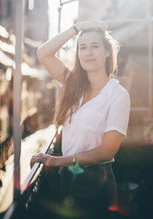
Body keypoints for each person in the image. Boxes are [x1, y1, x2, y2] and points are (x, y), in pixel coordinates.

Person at [30, 21, 130, 217]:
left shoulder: (118, 95)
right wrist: (77, 28)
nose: (88, 52)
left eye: (95, 46)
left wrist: (57, 162)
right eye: (82, 47)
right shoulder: (71, 84)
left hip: (96, 180)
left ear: (107, 52)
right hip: (66, 178)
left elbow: (107, 151)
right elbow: (43, 53)